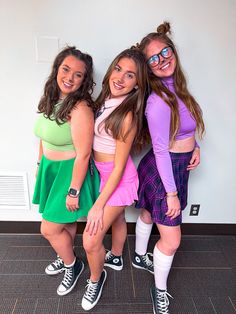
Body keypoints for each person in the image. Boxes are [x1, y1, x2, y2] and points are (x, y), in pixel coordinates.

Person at [133, 22, 205, 314]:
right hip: (165, 169)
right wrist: (172, 193)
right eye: (154, 58)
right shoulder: (157, 102)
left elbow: (184, 128)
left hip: (175, 165)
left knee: (150, 212)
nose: (162, 60)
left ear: (173, 51)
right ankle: (159, 289)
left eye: (165, 51)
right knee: (172, 240)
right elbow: (162, 149)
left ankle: (140, 255)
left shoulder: (180, 90)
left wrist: (195, 146)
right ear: (149, 68)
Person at [81, 48, 148, 311]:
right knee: (118, 218)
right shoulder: (105, 100)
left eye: (130, 75)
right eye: (118, 69)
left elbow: (119, 167)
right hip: (102, 173)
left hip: (119, 179)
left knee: (90, 239)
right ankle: (117, 257)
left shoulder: (127, 114)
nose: (120, 77)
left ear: (137, 84)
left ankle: (96, 278)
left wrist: (98, 204)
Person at [33, 46, 99, 296]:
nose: (70, 77)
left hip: (69, 173)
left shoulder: (80, 109)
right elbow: (43, 137)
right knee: (65, 224)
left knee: (48, 229)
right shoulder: (51, 97)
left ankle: (73, 264)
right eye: (66, 69)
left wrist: (74, 191)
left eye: (78, 74)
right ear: (57, 69)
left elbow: (83, 154)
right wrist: (40, 164)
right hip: (50, 169)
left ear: (84, 80)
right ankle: (67, 254)